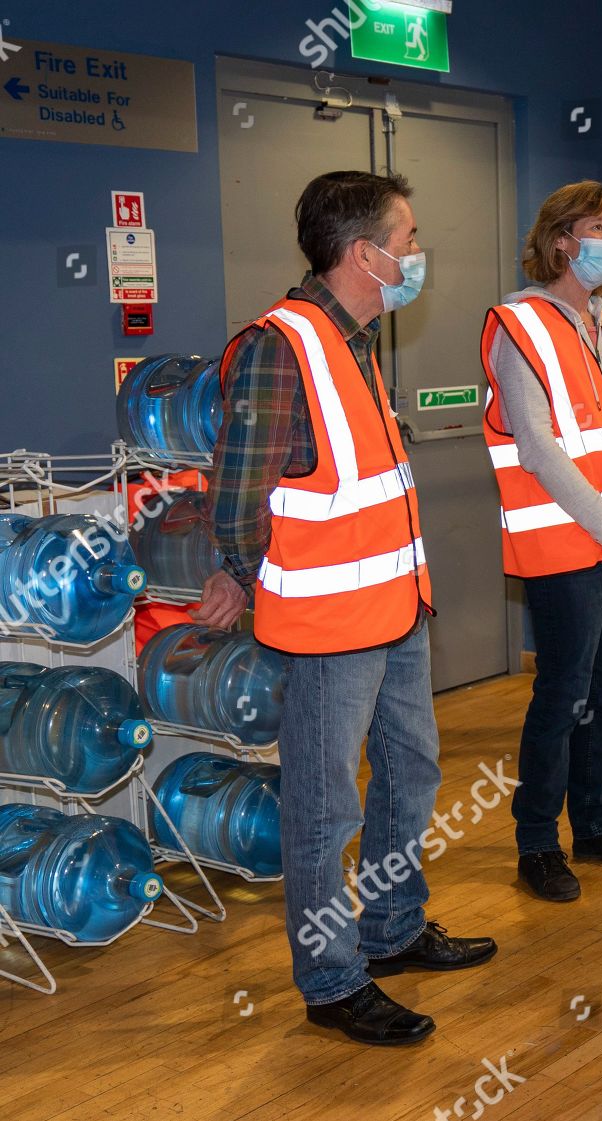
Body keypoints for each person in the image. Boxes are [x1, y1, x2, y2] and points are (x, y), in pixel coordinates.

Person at [197, 171, 495, 1047]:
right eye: (407, 240)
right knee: (327, 810)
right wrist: (256, 580)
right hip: (330, 625)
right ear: (364, 254)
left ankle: (393, 929)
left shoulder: (357, 341)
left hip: (396, 608)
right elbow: (235, 498)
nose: (415, 255)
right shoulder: (278, 346)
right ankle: (331, 980)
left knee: (412, 771)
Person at [480, 181, 602, 904]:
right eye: (597, 227)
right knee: (561, 693)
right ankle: (537, 843)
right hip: (566, 544)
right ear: (562, 239)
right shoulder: (518, 324)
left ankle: (594, 821)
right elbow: (538, 446)